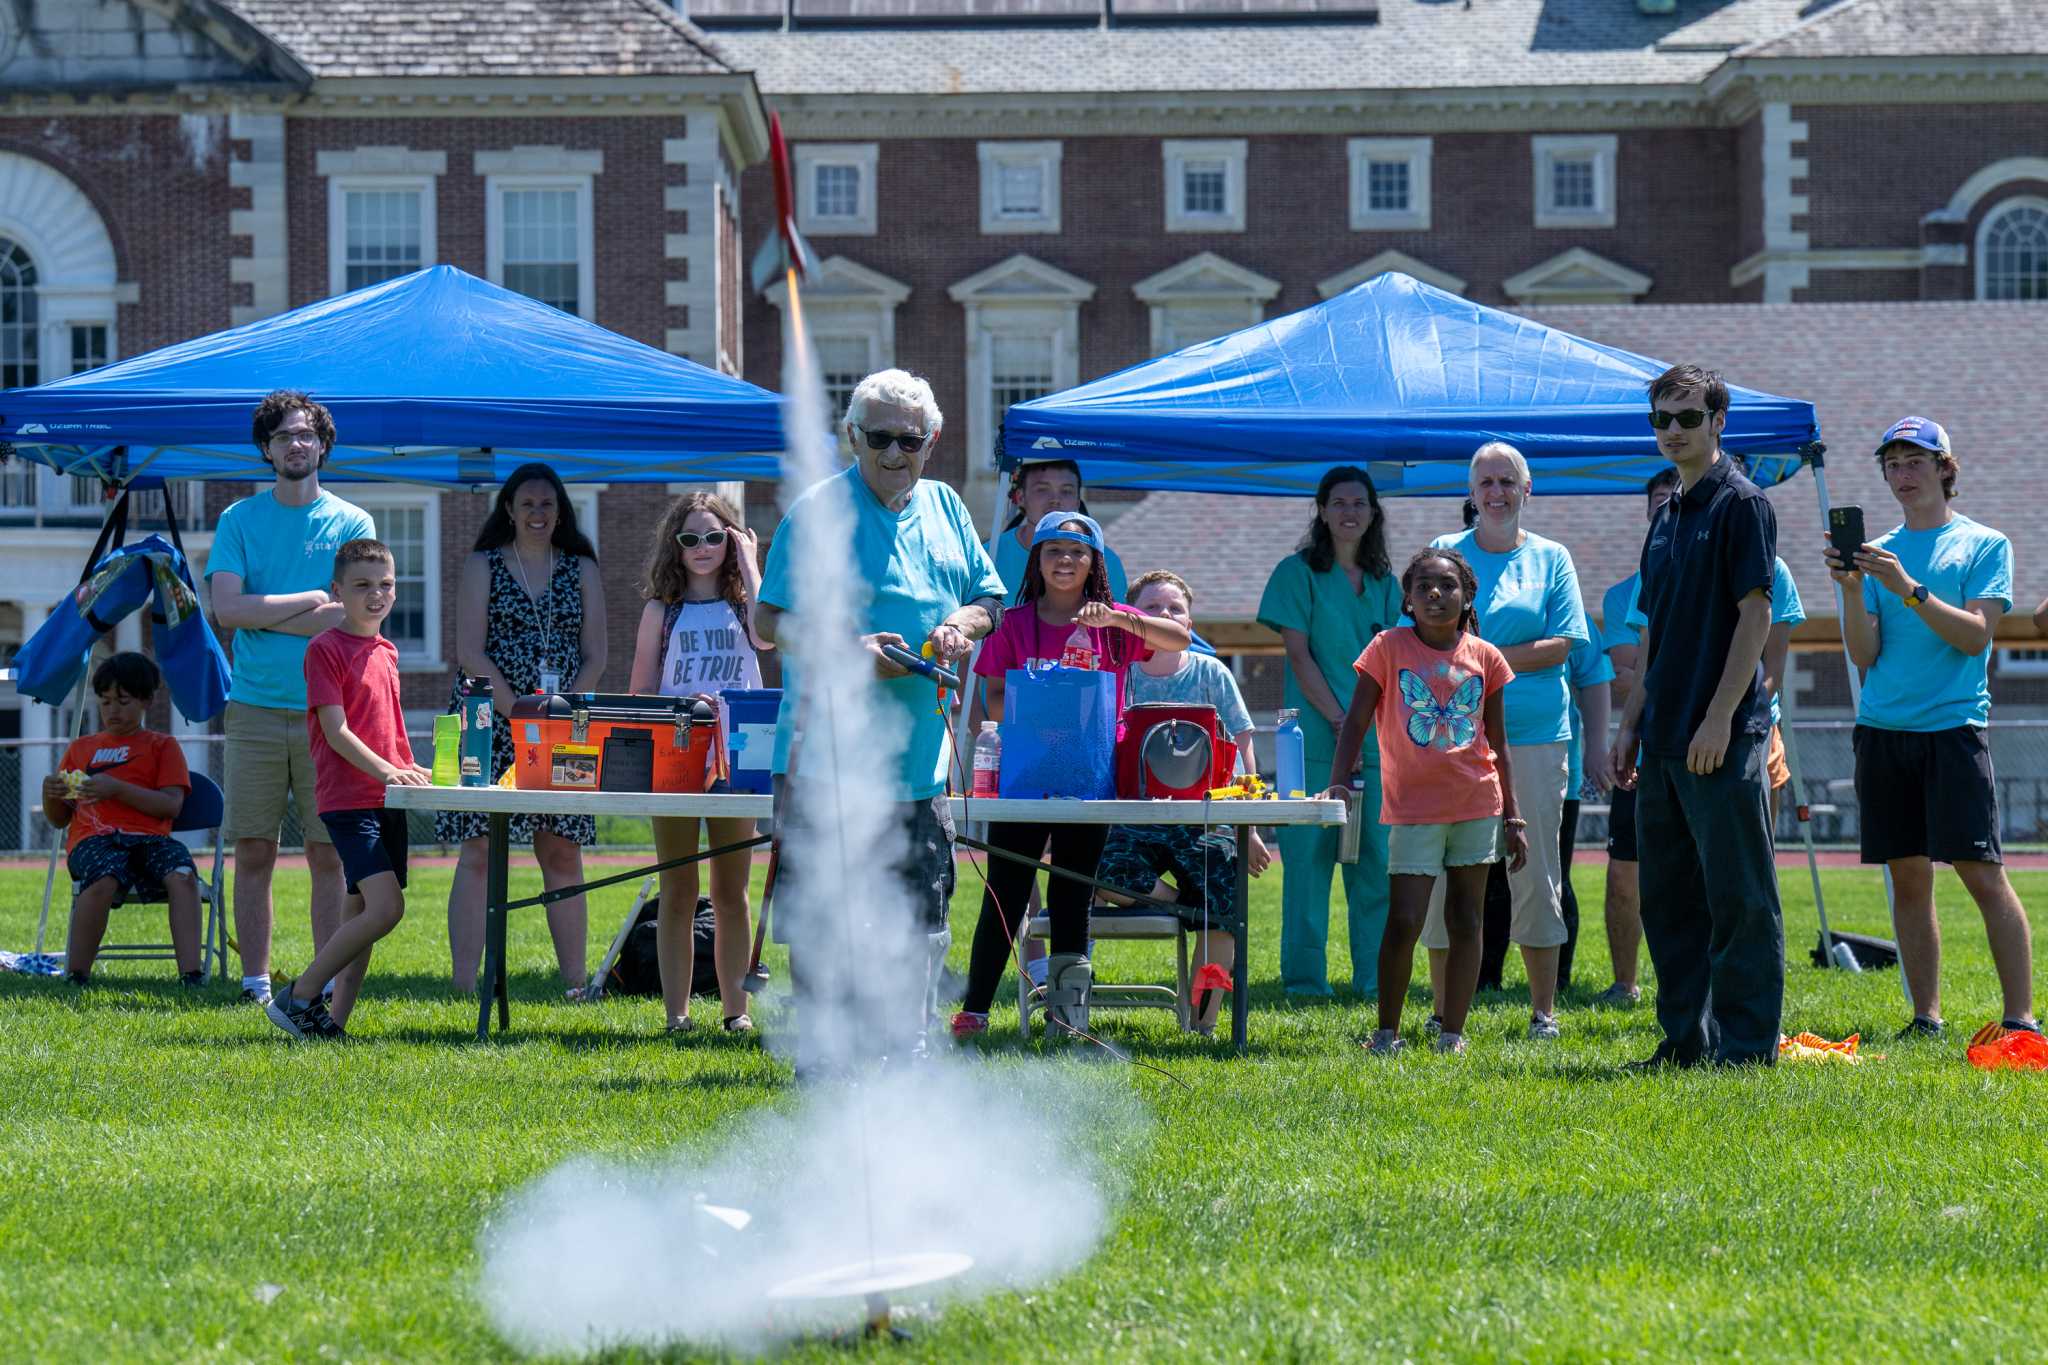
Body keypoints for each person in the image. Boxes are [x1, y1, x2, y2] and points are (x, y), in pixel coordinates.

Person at [755, 368, 1004, 1074]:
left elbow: (989, 597)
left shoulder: (948, 507)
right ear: (852, 438)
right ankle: (827, 1060)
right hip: (826, 762)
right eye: (882, 438)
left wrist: (961, 624)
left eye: (912, 439)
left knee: (923, 918)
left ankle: (911, 1056)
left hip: (920, 765)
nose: (897, 453)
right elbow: (768, 619)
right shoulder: (817, 512)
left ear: (933, 440)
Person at [1825, 415, 2036, 1038]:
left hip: (1953, 730)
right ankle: (1926, 1017)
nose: (1902, 474)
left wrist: (1909, 588)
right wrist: (1850, 587)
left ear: (1946, 468)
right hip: (1883, 730)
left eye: (1915, 461)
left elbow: (1975, 637)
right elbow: (1863, 656)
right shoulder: (1878, 552)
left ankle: (2021, 1019)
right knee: (1908, 879)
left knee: (1982, 873)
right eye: (1892, 463)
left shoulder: (1983, 544)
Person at [955, 514, 1191, 1039]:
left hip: (1089, 781)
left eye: (1078, 552)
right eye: (1054, 550)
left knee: (1071, 895)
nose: (1066, 561)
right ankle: (975, 1010)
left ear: (1094, 563)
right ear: (1036, 561)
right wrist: (1030, 720)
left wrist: (1121, 621)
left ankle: (1067, 1015)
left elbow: (1179, 638)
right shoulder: (1014, 623)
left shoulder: (1113, 622)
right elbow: (992, 694)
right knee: (1006, 892)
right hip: (1024, 780)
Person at [1610, 364, 1782, 1068]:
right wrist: (1630, 720)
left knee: (1739, 898)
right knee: (1668, 898)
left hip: (1723, 732)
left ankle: (1745, 1048)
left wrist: (1720, 718)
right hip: (1664, 733)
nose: (1672, 430)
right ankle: (1687, 1039)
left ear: (1719, 421)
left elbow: (1756, 615)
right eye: (1661, 419)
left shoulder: (1742, 504)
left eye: (1687, 417)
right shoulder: (1665, 514)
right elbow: (1654, 628)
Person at [205, 391, 375, 1006]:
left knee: (327, 853)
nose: (295, 444)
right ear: (265, 450)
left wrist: (262, 613)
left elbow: (350, 616)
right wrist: (308, 600)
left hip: (329, 711)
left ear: (322, 444)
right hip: (251, 706)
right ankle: (255, 982)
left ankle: (323, 979)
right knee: (253, 848)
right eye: (282, 437)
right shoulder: (238, 521)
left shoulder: (354, 522)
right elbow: (225, 610)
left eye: (304, 434)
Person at [1325, 548, 1525, 1057]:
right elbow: (1355, 722)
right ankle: (1386, 1032)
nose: (1436, 595)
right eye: (1424, 588)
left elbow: (1499, 742)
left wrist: (1514, 815)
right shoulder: (1387, 648)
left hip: (1478, 802)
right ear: (1408, 600)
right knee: (1405, 919)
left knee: (1467, 920)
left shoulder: (1487, 657)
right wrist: (1340, 781)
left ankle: (1452, 1034)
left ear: (1467, 596)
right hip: (1413, 808)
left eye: (1448, 586)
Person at [1422, 443, 1590, 1041]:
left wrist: (1476, 659)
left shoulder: (1553, 558)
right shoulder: (1443, 554)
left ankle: (1543, 1011)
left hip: (1537, 736)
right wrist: (1496, 660)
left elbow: (1561, 645)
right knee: (1446, 872)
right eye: (1485, 481)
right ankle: (1444, 1013)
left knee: (1536, 870)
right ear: (1472, 491)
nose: (1496, 492)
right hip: (1452, 740)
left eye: (1507, 481)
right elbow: (1419, 635)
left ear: (1527, 489)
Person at [439, 463, 606, 995]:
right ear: (508, 509)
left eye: (548, 504)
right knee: (479, 851)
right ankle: (466, 985)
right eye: (528, 503)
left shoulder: (581, 567)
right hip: (490, 718)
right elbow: (470, 652)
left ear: (561, 512)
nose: (538, 513)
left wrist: (554, 718)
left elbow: (596, 655)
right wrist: (519, 713)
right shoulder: (481, 564)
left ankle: (576, 985)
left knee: (561, 849)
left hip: (563, 725)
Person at [1091, 570, 1271, 1037]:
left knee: (1223, 886)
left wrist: (1246, 828)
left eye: (1175, 609)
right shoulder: (1118, 675)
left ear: (1189, 620)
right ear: (1131, 617)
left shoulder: (1212, 673)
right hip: (1135, 818)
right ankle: (1185, 908)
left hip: (1206, 819)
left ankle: (1202, 1028)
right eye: (1152, 608)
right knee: (1103, 870)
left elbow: (1244, 756)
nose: (1164, 616)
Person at [266, 540, 432, 1039]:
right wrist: (387, 772)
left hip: (388, 799)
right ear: (338, 592)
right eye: (362, 586)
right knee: (387, 908)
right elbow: (337, 731)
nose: (376, 594)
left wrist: (410, 768)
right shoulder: (324, 649)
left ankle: (331, 1022)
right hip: (348, 801)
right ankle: (297, 997)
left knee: (361, 909)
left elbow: (390, 727)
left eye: (385, 584)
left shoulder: (387, 650)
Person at [1255, 466, 1401, 999]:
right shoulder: (1296, 575)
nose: (1349, 512)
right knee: (1308, 869)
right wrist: (1343, 723)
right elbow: (1298, 654)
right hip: (1312, 744)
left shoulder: (1387, 583)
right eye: (1338, 502)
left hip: (1377, 744)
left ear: (1372, 512)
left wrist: (1362, 730)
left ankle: (1373, 980)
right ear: (1321, 510)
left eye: (1359, 503)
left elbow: (1392, 659)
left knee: (1376, 866)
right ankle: (1304, 982)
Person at [629, 491, 770, 1035]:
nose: (703, 547)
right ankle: (677, 1014)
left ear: (731, 539)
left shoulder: (744, 603)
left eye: (716, 536)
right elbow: (641, 691)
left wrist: (751, 567)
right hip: (677, 754)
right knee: (679, 891)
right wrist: (686, 706)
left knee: (732, 891)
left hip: (738, 757)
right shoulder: (660, 611)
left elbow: (765, 636)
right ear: (676, 546)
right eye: (691, 538)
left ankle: (736, 1011)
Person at [41, 653, 200, 987]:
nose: (112, 710)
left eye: (123, 701)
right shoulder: (82, 749)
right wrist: (50, 794)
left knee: (184, 877)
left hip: (151, 839)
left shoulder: (163, 746)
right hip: (93, 839)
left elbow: (171, 806)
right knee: (103, 878)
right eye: (105, 702)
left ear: (145, 701)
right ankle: (77, 975)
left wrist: (116, 789)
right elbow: (58, 820)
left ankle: (191, 974)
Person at [1595, 469, 1679, 1007]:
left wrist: (1652, 673)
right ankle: (1625, 984)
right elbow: (1624, 676)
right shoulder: (1627, 592)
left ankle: (1706, 984)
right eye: (1658, 502)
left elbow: (1642, 672)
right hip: (1641, 748)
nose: (1666, 508)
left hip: (1712, 744)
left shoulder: (1733, 570)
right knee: (1625, 872)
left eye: (1675, 499)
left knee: (1707, 875)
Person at [1555, 627, 1614, 993]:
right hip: (1477, 766)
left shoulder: (1563, 601)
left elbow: (1593, 678)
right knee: (1485, 878)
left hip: (1557, 767)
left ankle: (1558, 978)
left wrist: (1596, 747)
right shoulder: (1468, 598)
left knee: (1555, 876)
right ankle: (1485, 978)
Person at [990, 460, 1129, 605]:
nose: (1055, 500)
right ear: (1020, 498)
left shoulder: (1105, 561)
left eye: (1066, 491)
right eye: (1042, 489)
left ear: (1077, 502)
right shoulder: (989, 556)